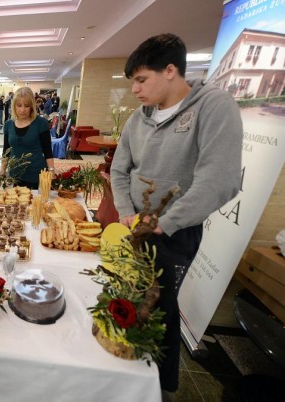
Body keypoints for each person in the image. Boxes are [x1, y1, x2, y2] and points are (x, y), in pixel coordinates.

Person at [110, 33, 243, 393]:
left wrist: (164, 223)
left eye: (141, 80)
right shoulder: (139, 118)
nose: (135, 90)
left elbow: (220, 180)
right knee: (121, 305)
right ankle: (115, 381)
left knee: (159, 315)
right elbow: (120, 169)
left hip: (172, 234)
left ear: (170, 70)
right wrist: (125, 211)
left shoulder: (213, 107)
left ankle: (154, 390)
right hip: (132, 225)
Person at [0, 87, 54, 189]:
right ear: (14, 105)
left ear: (32, 107)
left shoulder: (41, 123)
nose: (22, 110)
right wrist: (2, 173)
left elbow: (48, 151)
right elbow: (6, 152)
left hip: (37, 174)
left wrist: (51, 170)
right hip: (15, 175)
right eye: (19, 105)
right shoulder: (8, 125)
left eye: (27, 106)